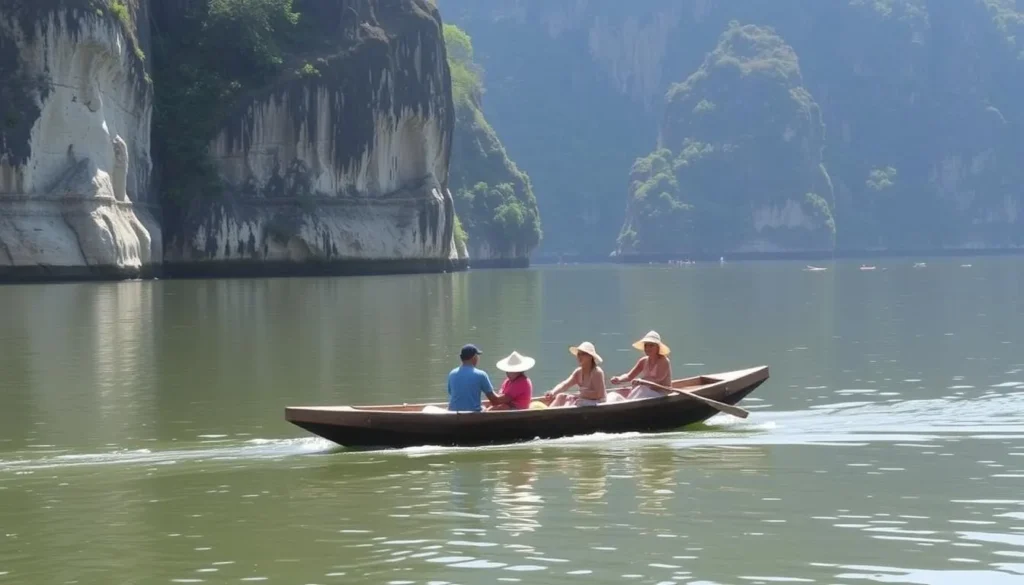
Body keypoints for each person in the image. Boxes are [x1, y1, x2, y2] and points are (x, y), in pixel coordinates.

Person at [610, 331, 673, 400]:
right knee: (639, 389)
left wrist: (641, 381)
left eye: (651, 345)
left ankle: (629, 402)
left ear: (658, 347)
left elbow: (657, 380)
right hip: (647, 391)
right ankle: (627, 402)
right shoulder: (643, 361)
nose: (647, 348)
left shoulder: (663, 361)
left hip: (662, 393)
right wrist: (619, 379)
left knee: (642, 389)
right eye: (646, 345)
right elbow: (629, 376)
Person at [544, 341, 607, 407]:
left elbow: (600, 395)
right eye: (578, 354)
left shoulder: (597, 372)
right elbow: (565, 384)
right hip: (583, 400)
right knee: (561, 396)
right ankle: (548, 411)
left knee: (579, 402)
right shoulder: (578, 372)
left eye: (582, 354)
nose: (579, 356)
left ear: (590, 356)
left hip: (599, 403)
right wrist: (553, 392)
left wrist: (580, 395)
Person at [447, 344, 500, 412]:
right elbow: (494, 400)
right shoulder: (481, 374)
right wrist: (509, 397)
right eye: (477, 356)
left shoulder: (452, 373)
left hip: (452, 412)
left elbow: (451, 393)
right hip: (473, 413)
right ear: (474, 357)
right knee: (484, 408)